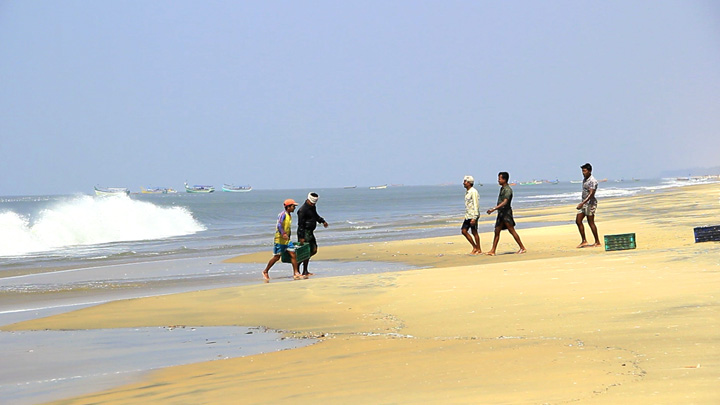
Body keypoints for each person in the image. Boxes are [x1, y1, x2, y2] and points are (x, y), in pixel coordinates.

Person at [486, 172, 526, 255]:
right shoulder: (502, 188)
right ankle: (493, 250)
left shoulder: (508, 189)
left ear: (504, 179)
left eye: (499, 178)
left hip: (506, 214)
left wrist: (494, 208)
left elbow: (505, 202)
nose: (498, 180)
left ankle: (522, 248)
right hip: (501, 214)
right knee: (497, 230)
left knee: (512, 230)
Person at [262, 199, 302, 281]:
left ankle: (296, 273)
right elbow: (279, 224)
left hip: (287, 240)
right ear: (288, 207)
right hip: (279, 240)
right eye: (293, 206)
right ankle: (265, 271)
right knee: (276, 257)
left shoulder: (289, 215)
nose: (294, 208)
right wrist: (283, 233)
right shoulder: (282, 215)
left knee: (293, 254)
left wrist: (288, 236)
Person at [296, 192, 329, 276]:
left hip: (310, 232)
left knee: (313, 250)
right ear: (308, 200)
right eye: (312, 203)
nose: (313, 204)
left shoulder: (312, 207)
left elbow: (315, 216)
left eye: (314, 203)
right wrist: (301, 237)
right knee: (306, 251)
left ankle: (303, 269)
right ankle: (299, 268)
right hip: (305, 232)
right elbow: (300, 225)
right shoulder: (302, 210)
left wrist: (322, 221)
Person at [576, 163, 601, 248]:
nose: (583, 173)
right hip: (584, 203)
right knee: (578, 220)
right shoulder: (585, 179)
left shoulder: (592, 181)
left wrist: (582, 203)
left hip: (590, 204)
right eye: (582, 171)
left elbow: (591, 194)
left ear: (589, 171)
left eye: (585, 171)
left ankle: (597, 241)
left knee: (591, 222)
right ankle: (584, 241)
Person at [461, 175, 481, 254]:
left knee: (474, 232)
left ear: (469, 183)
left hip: (473, 215)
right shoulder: (467, 192)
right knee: (464, 231)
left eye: (465, 182)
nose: (464, 183)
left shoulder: (473, 192)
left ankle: (478, 249)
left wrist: (475, 217)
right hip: (468, 215)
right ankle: (475, 247)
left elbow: (476, 204)